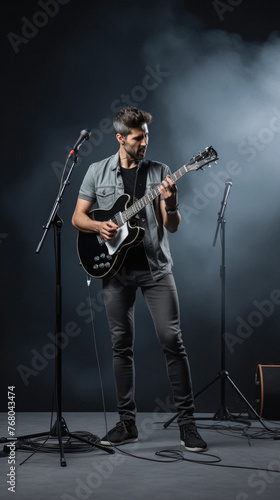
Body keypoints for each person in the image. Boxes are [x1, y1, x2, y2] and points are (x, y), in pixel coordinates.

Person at [72, 107, 207, 452]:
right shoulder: (95, 171)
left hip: (155, 269)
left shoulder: (160, 172)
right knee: (121, 347)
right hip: (113, 270)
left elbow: (171, 226)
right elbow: (77, 218)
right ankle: (127, 424)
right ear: (120, 138)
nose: (145, 141)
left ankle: (188, 425)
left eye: (147, 135)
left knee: (172, 342)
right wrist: (98, 226)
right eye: (138, 137)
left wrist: (172, 204)